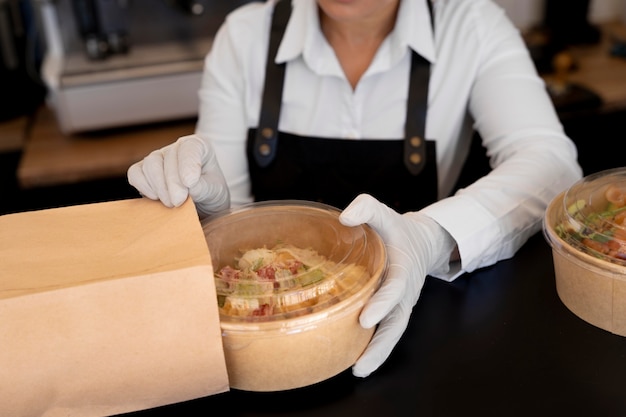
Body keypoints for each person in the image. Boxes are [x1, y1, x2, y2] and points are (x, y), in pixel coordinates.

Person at [127, 0, 582, 378]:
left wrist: (427, 238)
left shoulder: (470, 26)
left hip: (414, 331)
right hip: (266, 344)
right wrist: (212, 212)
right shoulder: (244, 37)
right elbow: (235, 234)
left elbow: (552, 164)